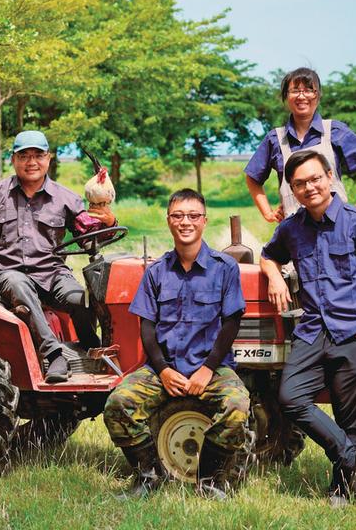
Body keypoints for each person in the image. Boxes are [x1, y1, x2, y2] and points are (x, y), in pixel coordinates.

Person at [260, 150, 356, 507]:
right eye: (299, 183)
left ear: (330, 176)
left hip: (355, 331)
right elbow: (268, 254)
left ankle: (340, 489)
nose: (309, 188)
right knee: (290, 397)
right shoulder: (291, 228)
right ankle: (353, 460)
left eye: (314, 179)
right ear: (292, 189)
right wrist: (273, 275)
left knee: (349, 414)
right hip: (313, 331)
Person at [103, 189, 250, 500]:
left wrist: (208, 369)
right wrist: (164, 371)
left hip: (211, 367)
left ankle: (208, 480)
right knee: (118, 404)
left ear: (204, 221)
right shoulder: (157, 271)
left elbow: (231, 324)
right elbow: (147, 327)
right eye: (178, 216)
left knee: (236, 406)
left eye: (193, 216)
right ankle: (148, 476)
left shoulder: (225, 268)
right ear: (169, 221)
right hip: (163, 368)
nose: (186, 222)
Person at [0, 130, 116, 383]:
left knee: (81, 298)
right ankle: (53, 354)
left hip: (52, 274)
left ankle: (89, 345)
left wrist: (108, 223)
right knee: (19, 283)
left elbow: (89, 234)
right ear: (13, 159)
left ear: (49, 159)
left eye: (38, 155)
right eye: (24, 156)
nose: (31, 162)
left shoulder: (65, 198)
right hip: (7, 275)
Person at [245, 67, 356, 222]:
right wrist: (268, 213)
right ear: (286, 97)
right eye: (295, 91)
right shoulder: (275, 139)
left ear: (318, 95)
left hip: (338, 226)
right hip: (294, 231)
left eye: (309, 90)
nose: (302, 96)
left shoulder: (335, 131)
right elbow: (252, 177)